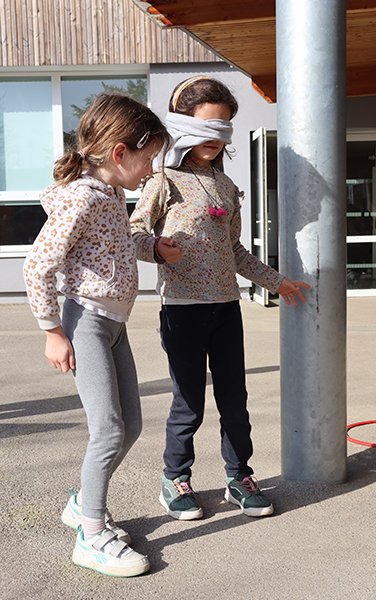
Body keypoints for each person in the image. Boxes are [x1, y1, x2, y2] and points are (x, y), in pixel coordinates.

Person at [130, 76, 310, 521]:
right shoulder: (163, 180)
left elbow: (235, 251)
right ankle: (175, 479)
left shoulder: (227, 187)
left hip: (226, 308)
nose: (215, 138)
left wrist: (277, 282)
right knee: (188, 403)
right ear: (183, 126)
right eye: (206, 127)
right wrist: (156, 249)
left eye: (223, 128)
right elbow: (132, 234)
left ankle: (239, 478)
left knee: (234, 400)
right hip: (182, 310)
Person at [23, 93, 170, 577]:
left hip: (113, 324)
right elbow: (37, 266)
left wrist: (155, 247)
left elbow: (116, 244)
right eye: (148, 159)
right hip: (85, 322)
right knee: (107, 430)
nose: (151, 171)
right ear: (120, 153)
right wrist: (52, 331)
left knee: (131, 425)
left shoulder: (111, 194)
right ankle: (90, 536)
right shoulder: (82, 198)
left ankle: (82, 504)